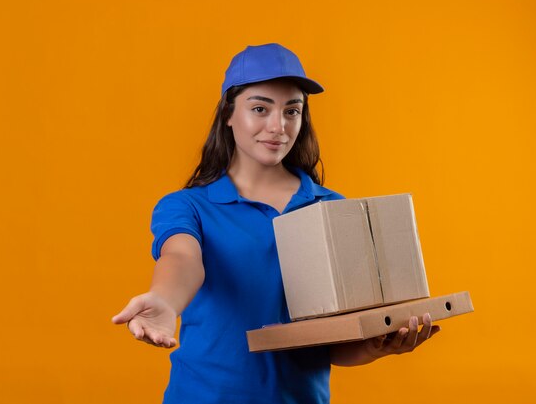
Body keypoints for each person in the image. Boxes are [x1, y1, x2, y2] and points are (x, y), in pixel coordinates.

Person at [112, 43, 440, 404]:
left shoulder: (331, 208)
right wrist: (164, 301)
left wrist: (379, 345)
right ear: (228, 114)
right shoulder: (188, 206)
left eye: (292, 111)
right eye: (259, 109)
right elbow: (182, 259)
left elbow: (332, 344)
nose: (278, 126)